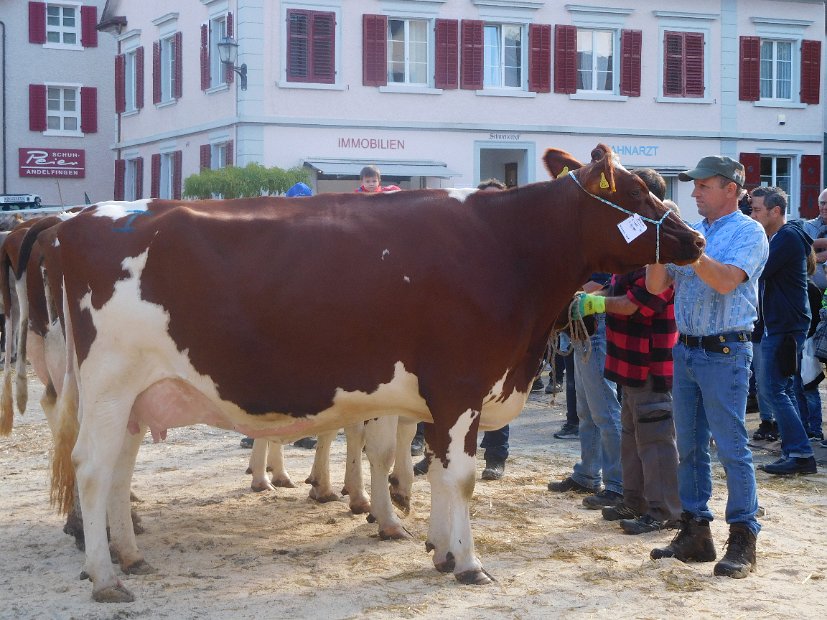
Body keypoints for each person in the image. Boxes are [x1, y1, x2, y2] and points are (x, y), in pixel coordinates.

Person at [646, 155, 768, 579]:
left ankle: (743, 538)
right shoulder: (695, 231)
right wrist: (660, 247)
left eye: (703, 186)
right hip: (689, 350)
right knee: (690, 448)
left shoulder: (749, 232)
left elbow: (725, 281)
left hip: (725, 352)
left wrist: (691, 250)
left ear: (730, 189)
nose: (694, 192)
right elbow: (656, 285)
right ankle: (695, 531)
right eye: (694, 186)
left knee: (732, 448)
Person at [578, 169, 681, 535]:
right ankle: (634, 500)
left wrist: (594, 305)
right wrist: (591, 299)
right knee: (631, 433)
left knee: (654, 437)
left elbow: (639, 303)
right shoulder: (637, 248)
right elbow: (616, 286)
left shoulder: (665, 253)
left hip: (651, 359)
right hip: (628, 360)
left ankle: (664, 510)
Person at [413, 178, 511, 480]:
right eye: (486, 200)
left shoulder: (513, 244)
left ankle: (495, 457)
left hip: (496, 334)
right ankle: (434, 453)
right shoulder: (462, 238)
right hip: (457, 333)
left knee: (496, 395)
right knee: (437, 394)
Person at [240, 181, 320, 450]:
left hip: (303, 311)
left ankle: (303, 428)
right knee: (266, 371)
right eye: (294, 199)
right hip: (274, 309)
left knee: (303, 373)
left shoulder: (318, 231)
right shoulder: (274, 228)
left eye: (302, 200)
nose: (298, 204)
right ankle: (257, 429)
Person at [749, 186, 817, 475]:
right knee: (782, 389)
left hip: (786, 325)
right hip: (784, 324)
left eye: (756, 210)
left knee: (777, 389)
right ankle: (796, 451)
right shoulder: (783, 236)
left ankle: (800, 452)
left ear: (776, 211)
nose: (752, 215)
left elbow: (756, 270)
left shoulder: (786, 237)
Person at [548, 274, 623, 510]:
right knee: (588, 410)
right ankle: (588, 474)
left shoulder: (600, 253)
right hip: (583, 326)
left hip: (594, 323)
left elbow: (596, 284)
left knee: (605, 411)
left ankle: (618, 484)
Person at [801, 187, 827, 291]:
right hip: (809, 291)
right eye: (822, 203)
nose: (825, 207)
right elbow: (800, 257)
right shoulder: (806, 227)